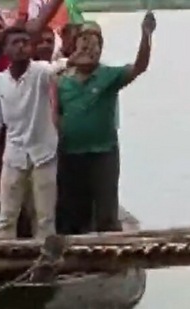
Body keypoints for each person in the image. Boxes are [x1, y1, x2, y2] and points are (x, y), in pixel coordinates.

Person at [56, 14, 155, 234]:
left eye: (95, 45)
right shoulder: (60, 78)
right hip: (70, 152)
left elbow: (139, 66)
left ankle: (110, 253)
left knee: (106, 207)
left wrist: (146, 36)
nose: (89, 49)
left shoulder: (109, 75)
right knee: (73, 208)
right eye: (84, 43)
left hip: (103, 152)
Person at [0, 26, 68, 240]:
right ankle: (3, 262)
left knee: (44, 217)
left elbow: (58, 67)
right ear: (5, 50)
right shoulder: (1, 82)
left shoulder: (41, 71)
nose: (21, 46)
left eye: (25, 42)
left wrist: (74, 59)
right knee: (6, 216)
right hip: (14, 156)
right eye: (15, 42)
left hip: (44, 155)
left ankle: (46, 261)